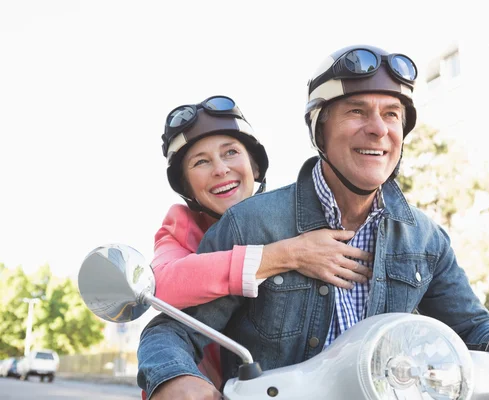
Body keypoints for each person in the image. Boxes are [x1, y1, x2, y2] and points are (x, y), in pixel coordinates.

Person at [138, 46, 489, 400]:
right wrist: (175, 376)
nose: (378, 130)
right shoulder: (250, 224)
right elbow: (174, 329)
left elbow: (474, 326)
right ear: (320, 130)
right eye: (357, 111)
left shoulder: (426, 238)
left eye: (392, 114)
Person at [144, 94, 372, 398]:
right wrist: (285, 255)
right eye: (201, 162)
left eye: (230, 153)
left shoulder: (290, 218)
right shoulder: (179, 227)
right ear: (186, 187)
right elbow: (161, 286)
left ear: (254, 165)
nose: (220, 169)